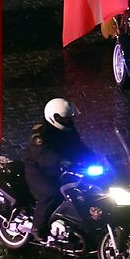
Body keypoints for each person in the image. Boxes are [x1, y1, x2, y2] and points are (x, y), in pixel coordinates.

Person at [26, 99, 93, 243]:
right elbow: (42, 154)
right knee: (52, 193)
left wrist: (95, 157)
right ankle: (38, 227)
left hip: (61, 170)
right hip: (39, 172)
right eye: (65, 119)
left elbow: (78, 146)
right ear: (54, 118)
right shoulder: (40, 134)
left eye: (69, 118)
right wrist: (60, 161)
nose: (68, 121)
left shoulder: (69, 129)